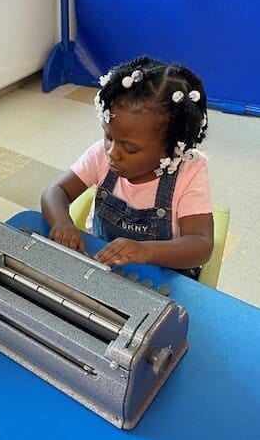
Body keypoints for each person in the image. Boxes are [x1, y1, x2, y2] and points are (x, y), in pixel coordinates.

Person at [41, 55, 214, 276]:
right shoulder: (101, 155)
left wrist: (144, 251)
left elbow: (201, 245)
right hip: (102, 264)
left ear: (171, 147)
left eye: (130, 149)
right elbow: (55, 192)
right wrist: (62, 222)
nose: (112, 153)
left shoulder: (189, 172)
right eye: (108, 137)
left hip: (162, 271)